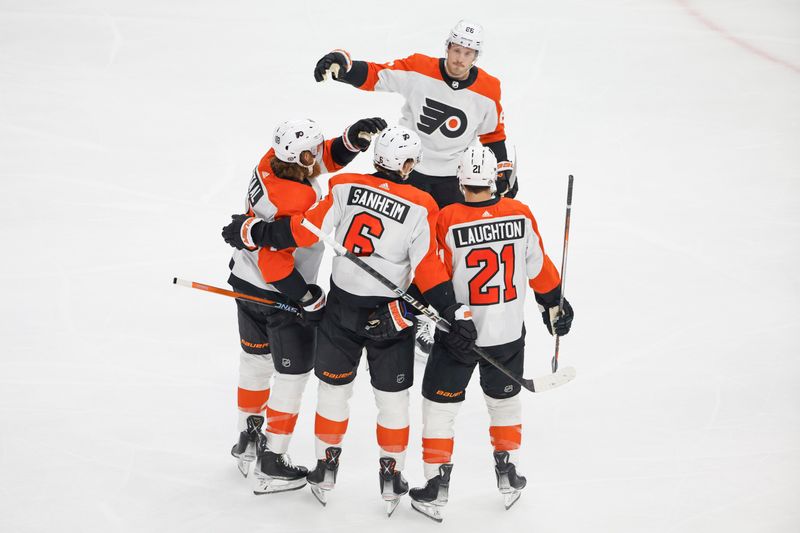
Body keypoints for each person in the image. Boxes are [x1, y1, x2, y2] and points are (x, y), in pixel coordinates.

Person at [222, 126, 478, 515]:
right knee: (392, 399)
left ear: (375, 156)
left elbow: (303, 232)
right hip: (388, 314)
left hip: (338, 309)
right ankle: (391, 474)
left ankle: (325, 468)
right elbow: (427, 268)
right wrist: (454, 311)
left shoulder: (341, 185)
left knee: (330, 390)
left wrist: (253, 230)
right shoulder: (424, 204)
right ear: (409, 165)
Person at [313, 19, 516, 361]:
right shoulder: (421, 68)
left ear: (476, 56)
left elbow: (493, 135)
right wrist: (344, 66)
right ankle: (372, 298)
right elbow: (377, 75)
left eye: (468, 53)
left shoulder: (489, 89)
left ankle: (419, 314)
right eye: (456, 50)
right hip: (403, 169)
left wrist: (503, 169)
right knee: (393, 241)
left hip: (451, 181)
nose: (460, 59)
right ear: (447, 47)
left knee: (436, 253)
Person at [407, 147, 574, 522]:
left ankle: (435, 485)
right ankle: (508, 473)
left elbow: (433, 274)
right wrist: (555, 305)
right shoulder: (520, 213)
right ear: (496, 180)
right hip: (508, 334)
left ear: (460, 181)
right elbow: (539, 267)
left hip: (459, 335)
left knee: (440, 407)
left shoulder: (447, 217)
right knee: (504, 403)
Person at [226, 116, 386, 494]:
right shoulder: (295, 198)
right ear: (298, 156)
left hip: (243, 283)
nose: (319, 155)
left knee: (254, 362)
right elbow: (273, 262)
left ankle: (248, 437)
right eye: (313, 151)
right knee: (292, 377)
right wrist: (307, 297)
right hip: (279, 294)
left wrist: (349, 141)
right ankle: (272, 460)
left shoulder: (270, 160)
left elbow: (318, 161)